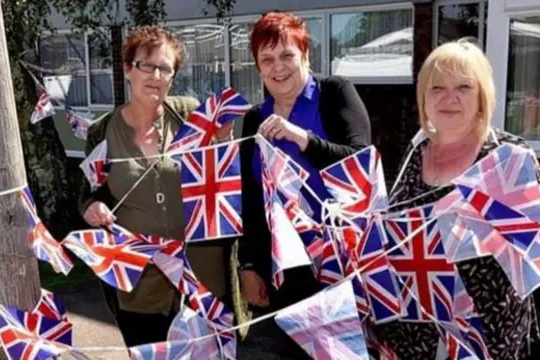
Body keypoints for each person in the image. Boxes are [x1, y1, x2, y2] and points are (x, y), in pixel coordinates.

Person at [375, 38, 540, 359]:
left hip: (484, 334)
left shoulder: (509, 157)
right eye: (437, 88)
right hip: (413, 332)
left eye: (464, 87)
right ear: (423, 98)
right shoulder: (414, 152)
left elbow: (537, 248)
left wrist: (478, 222)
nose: (449, 98)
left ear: (482, 97)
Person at [77, 25, 240, 347]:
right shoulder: (102, 132)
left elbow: (223, 173)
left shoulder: (190, 115)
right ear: (128, 69)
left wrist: (225, 139)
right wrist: (92, 208)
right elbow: (88, 192)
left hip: (201, 276)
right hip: (141, 282)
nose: (155, 75)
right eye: (146, 65)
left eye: (165, 68)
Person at [237, 11, 372, 357]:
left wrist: (304, 140)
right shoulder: (255, 118)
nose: (278, 67)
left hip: (339, 267)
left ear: (306, 56)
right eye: (267, 59)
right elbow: (252, 199)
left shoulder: (335, 94)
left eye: (287, 55)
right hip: (282, 270)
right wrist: (249, 265)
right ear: (258, 67)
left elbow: (361, 162)